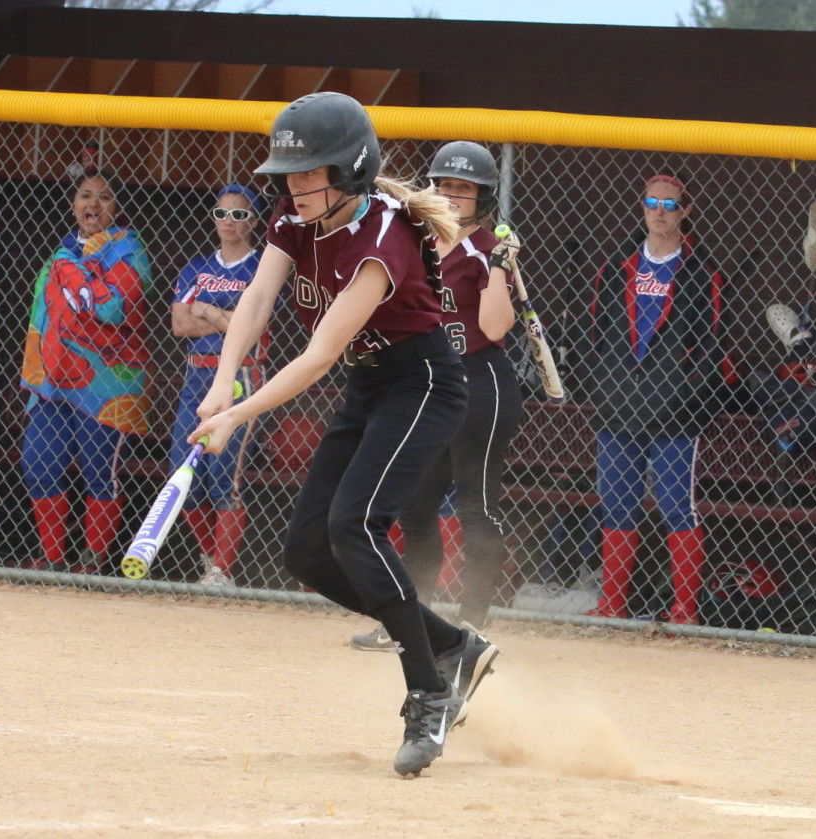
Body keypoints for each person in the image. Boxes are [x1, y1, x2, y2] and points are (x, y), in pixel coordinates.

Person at [188, 92, 501, 778]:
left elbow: (319, 354)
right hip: (368, 388)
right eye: (290, 176)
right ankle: (451, 643)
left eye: (311, 175)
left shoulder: (382, 238)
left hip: (420, 385)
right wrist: (222, 381)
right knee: (307, 551)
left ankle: (428, 691)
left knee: (354, 524)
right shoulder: (297, 218)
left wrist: (238, 414)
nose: (295, 189)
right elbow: (258, 299)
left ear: (351, 172)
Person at [349, 141, 523, 649]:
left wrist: (499, 267)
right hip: (429, 386)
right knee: (414, 507)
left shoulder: (486, 250)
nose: (451, 196)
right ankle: (411, 623)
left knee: (476, 509)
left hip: (480, 385)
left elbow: (494, 326)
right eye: (445, 186)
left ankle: (471, 627)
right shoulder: (414, 241)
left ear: (483, 197)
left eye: (463, 190)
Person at [585, 173, 726, 625]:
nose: (660, 211)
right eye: (652, 203)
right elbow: (594, 335)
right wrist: (603, 386)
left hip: (675, 412)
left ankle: (683, 610)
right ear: (642, 207)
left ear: (686, 212)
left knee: (675, 507)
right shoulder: (617, 266)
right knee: (616, 502)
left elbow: (714, 346)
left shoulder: (702, 273)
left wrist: (689, 393)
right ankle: (612, 605)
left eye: (670, 204)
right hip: (619, 405)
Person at [20, 170, 153, 574]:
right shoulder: (60, 252)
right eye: (85, 196)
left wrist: (70, 272)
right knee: (38, 462)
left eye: (105, 197)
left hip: (107, 384)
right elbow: (43, 315)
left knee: (100, 471)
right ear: (72, 204)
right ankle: (53, 558)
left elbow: (111, 307)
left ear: (118, 207)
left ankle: (92, 560)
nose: (93, 205)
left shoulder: (129, 248)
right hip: (53, 382)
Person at [169, 184, 267, 586]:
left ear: (254, 222)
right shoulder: (195, 267)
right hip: (196, 372)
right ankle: (209, 562)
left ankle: (222, 570)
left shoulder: (261, 267)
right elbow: (179, 324)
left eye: (240, 215)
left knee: (224, 473)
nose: (229, 221)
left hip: (243, 374)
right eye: (222, 213)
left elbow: (249, 329)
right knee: (184, 469)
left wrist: (206, 310)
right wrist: (226, 318)